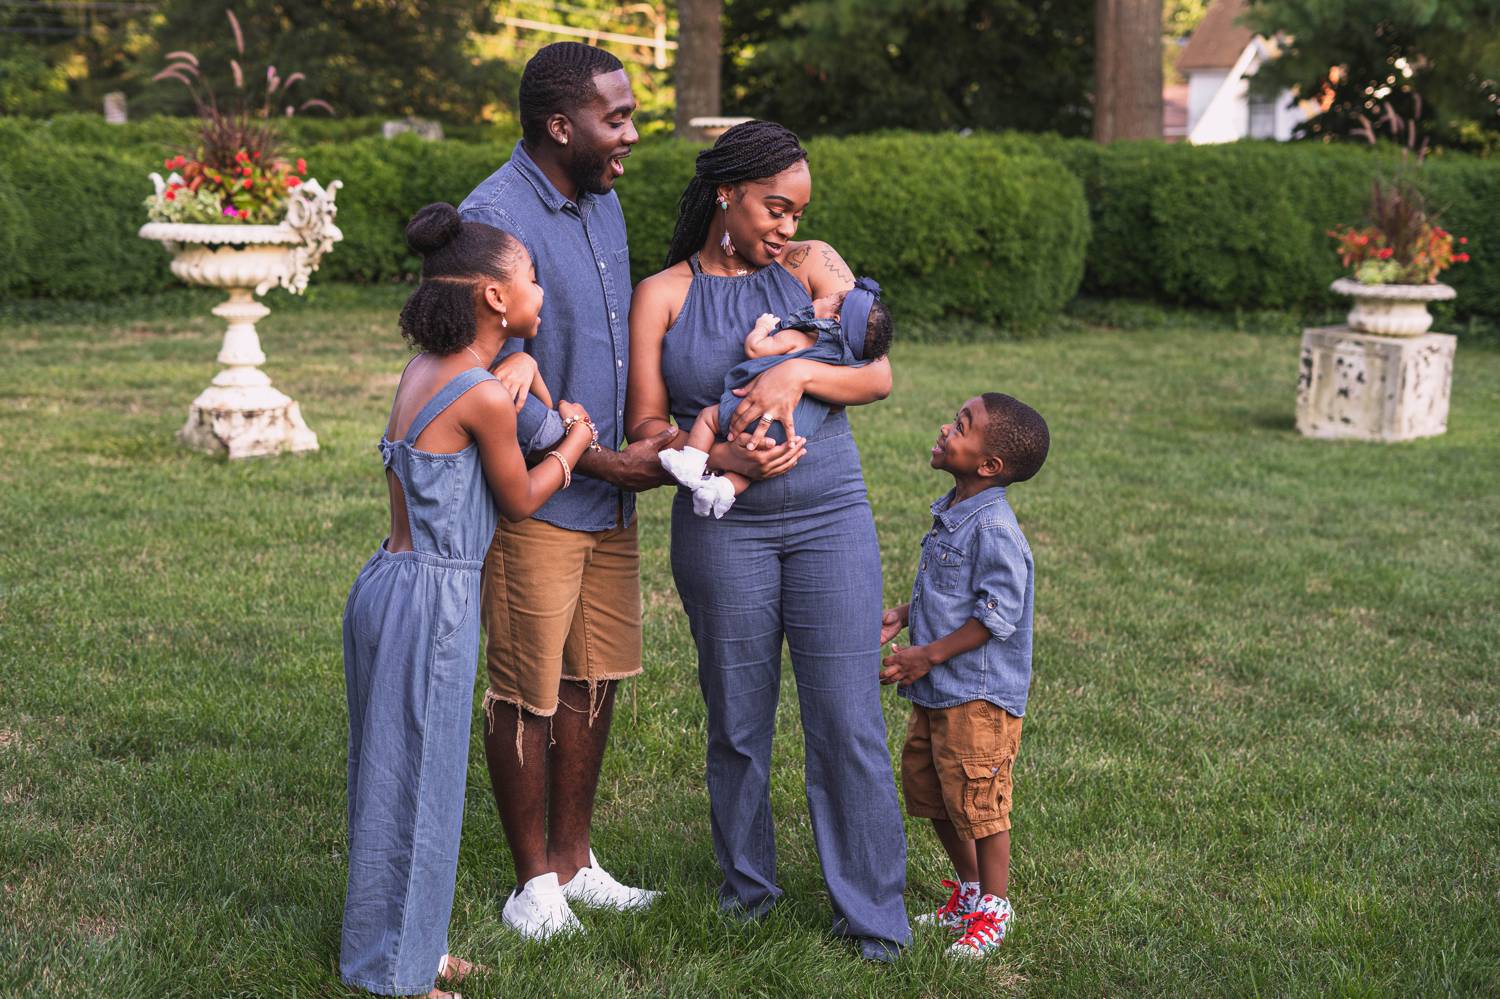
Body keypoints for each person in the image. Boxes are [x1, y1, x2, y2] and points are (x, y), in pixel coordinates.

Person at [625, 120, 911, 962]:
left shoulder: (812, 267)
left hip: (831, 516)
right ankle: (748, 891)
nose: (787, 227)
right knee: (738, 721)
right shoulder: (663, 293)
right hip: (724, 528)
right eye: (774, 209)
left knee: (848, 715)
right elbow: (646, 425)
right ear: (727, 195)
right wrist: (717, 453)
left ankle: (873, 916)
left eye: (797, 212)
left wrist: (794, 372)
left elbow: (877, 370)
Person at [340, 203, 596, 996]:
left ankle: (408, 946)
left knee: (392, 777)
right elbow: (520, 495)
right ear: (493, 296)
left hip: (387, 581)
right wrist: (579, 442)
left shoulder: (431, 367)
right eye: (530, 279)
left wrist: (521, 363)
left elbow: (519, 393)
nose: (541, 292)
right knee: (421, 785)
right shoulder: (484, 396)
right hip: (436, 600)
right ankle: (400, 979)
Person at [457, 42, 672, 939]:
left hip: (610, 493)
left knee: (595, 676)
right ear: (559, 125)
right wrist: (595, 456)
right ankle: (530, 883)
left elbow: (620, 338)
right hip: (541, 495)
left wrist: (648, 443)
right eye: (614, 118)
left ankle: (577, 863)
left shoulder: (605, 201)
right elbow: (494, 363)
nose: (630, 133)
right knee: (526, 688)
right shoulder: (493, 217)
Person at [879, 392, 1050, 959]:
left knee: (980, 804)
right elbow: (951, 593)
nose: (945, 429)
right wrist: (905, 615)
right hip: (938, 692)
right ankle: (970, 893)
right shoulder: (955, 508)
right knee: (934, 794)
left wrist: (925, 654)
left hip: (977, 697)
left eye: (962, 426)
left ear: (989, 466)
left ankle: (994, 912)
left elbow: (996, 614)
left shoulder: (996, 528)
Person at [658, 277, 894, 518]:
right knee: (752, 465)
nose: (825, 295)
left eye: (832, 298)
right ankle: (720, 490)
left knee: (709, 418)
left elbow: (755, 349)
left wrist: (762, 326)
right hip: (791, 436)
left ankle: (691, 464)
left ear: (834, 320)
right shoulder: (849, 364)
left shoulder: (801, 338)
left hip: (752, 411)